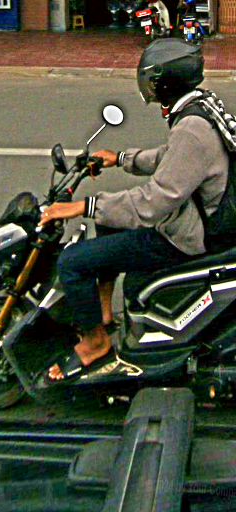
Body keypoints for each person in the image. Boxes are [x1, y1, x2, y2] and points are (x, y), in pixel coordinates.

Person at [39, 38, 229, 382]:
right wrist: (122, 159)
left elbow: (154, 202)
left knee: (73, 262)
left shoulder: (192, 129)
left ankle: (96, 343)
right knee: (109, 224)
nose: (148, 87)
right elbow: (171, 159)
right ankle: (104, 316)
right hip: (201, 213)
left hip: (187, 237)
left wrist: (84, 206)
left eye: (152, 80)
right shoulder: (200, 107)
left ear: (167, 83)